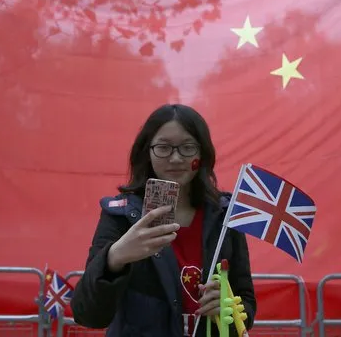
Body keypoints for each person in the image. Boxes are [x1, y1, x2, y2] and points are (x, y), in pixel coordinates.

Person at [70, 104, 256, 336]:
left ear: (202, 154)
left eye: (188, 148)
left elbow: (246, 304)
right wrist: (115, 258)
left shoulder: (225, 215)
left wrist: (227, 309)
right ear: (147, 152)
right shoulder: (121, 215)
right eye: (163, 148)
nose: (176, 158)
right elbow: (88, 314)